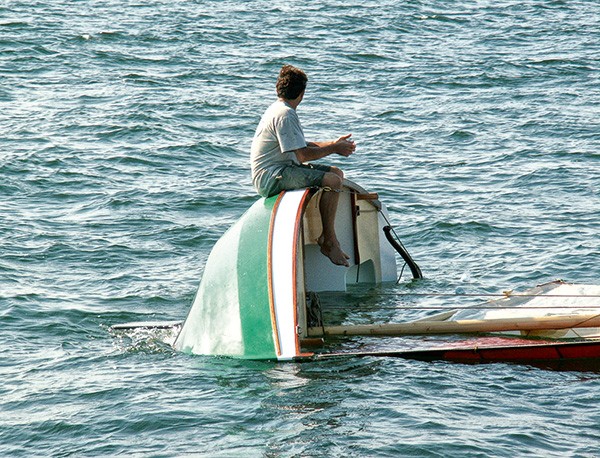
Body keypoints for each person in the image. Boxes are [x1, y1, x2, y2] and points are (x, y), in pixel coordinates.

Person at [251, 64, 356, 267]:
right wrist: (334, 149)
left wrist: (335, 143)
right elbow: (302, 155)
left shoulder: (280, 109)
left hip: (281, 169)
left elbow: (301, 145)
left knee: (336, 172)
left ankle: (327, 236)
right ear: (302, 93)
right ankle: (329, 240)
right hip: (272, 176)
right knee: (333, 181)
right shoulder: (285, 114)